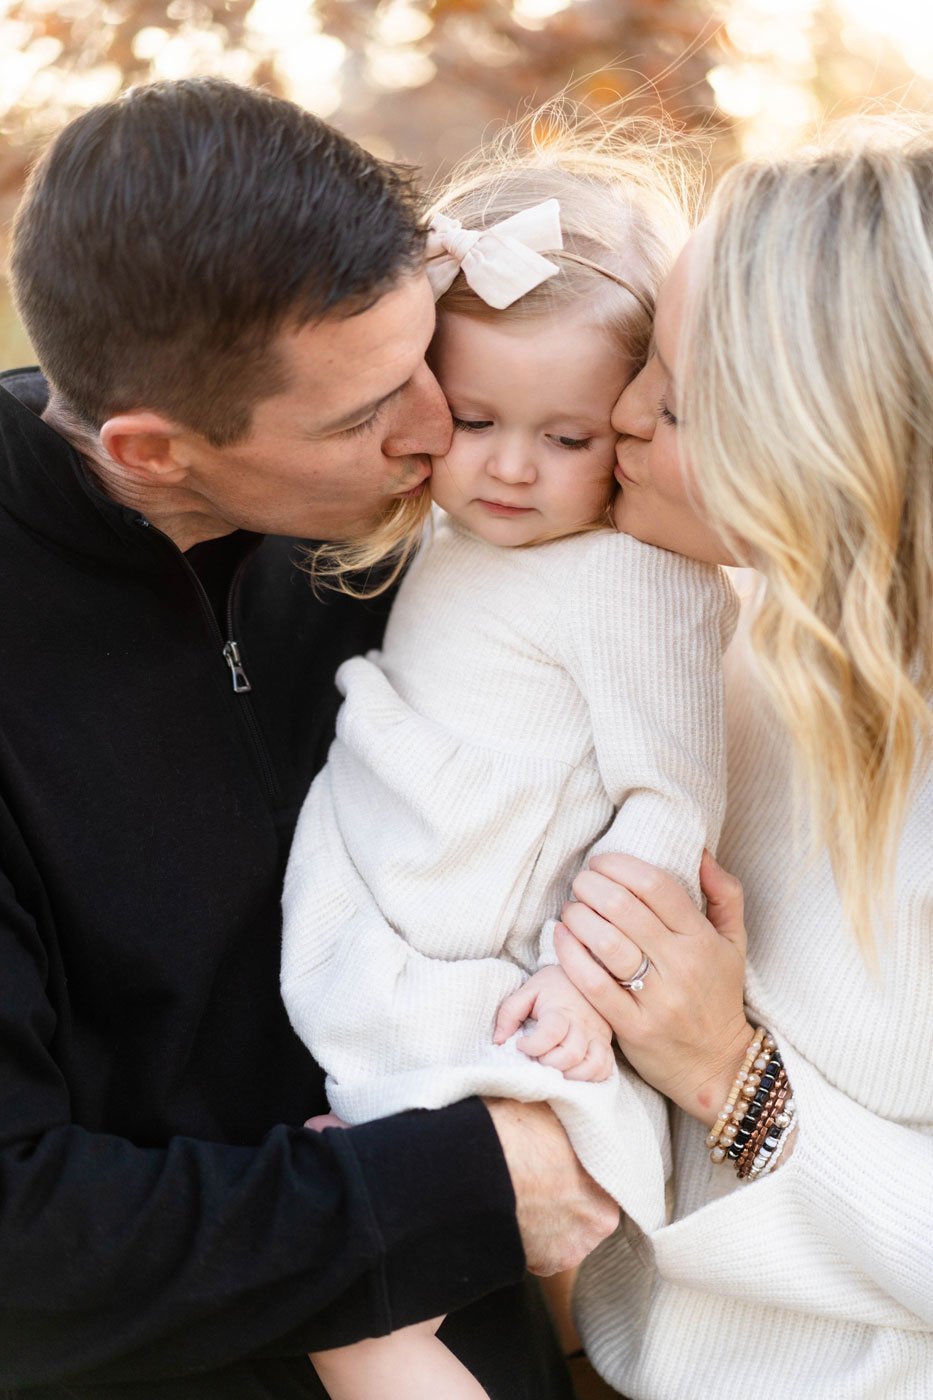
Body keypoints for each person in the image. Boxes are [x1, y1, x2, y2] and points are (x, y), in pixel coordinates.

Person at [0, 78, 620, 1400]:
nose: (433, 430)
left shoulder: (436, 528)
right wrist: (456, 1192)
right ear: (152, 449)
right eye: (360, 414)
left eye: (422, 364)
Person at [279, 122, 737, 1399]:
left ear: (636, 414)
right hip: (396, 903)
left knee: (364, 1309)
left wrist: (587, 989)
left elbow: (674, 794)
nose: (513, 469)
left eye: (569, 436)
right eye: (475, 418)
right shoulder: (447, 529)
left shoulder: (641, 581)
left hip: (507, 981)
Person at [552, 116, 933, 1397]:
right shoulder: (717, 635)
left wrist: (731, 1068)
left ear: (826, 441)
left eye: (675, 392)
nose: (621, 414)